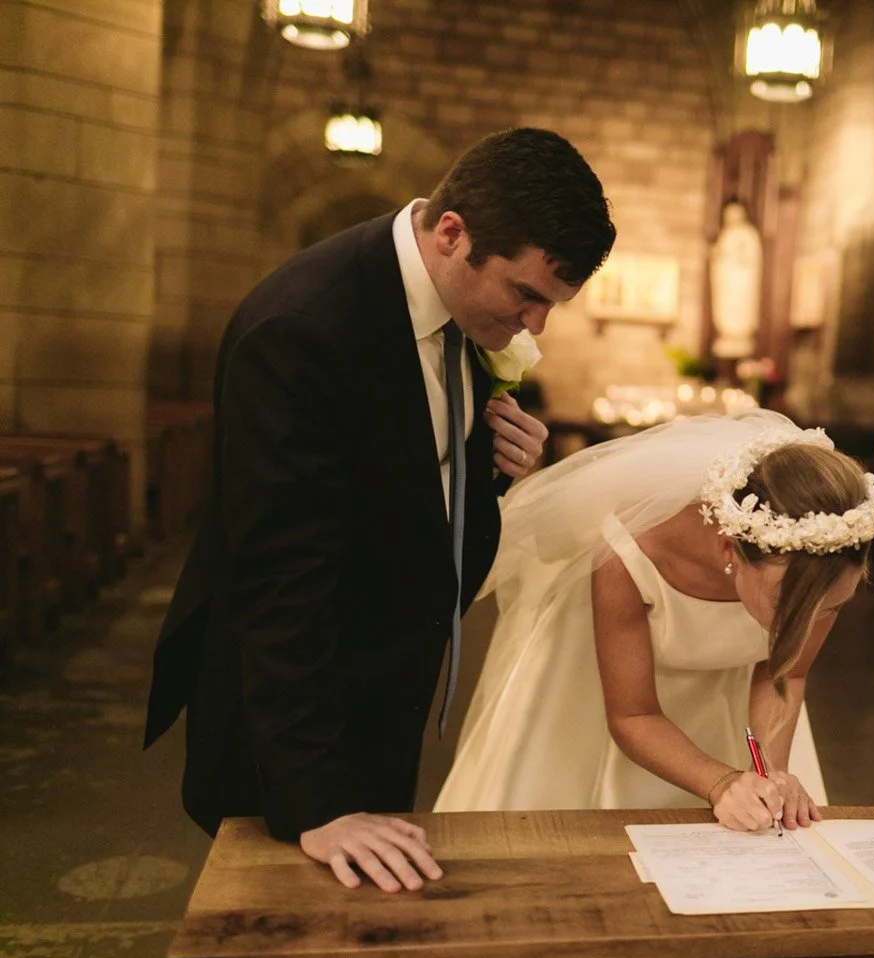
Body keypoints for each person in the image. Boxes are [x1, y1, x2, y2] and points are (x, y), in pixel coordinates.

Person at [144, 128, 616, 892]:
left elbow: (404, 484)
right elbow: (277, 579)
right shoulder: (302, 329)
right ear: (453, 235)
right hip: (287, 730)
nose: (535, 327)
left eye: (551, 305)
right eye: (526, 295)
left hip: (380, 692)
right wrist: (318, 805)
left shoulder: (460, 313)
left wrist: (495, 465)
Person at [435, 411, 874, 831]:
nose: (807, 621)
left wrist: (771, 772)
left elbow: (785, 676)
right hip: (604, 696)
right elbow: (633, 713)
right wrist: (720, 782)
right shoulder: (630, 552)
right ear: (729, 551)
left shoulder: (824, 560)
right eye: (784, 603)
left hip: (727, 705)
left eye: (831, 607)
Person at [709, 199, 764, 361]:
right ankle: (728, 333)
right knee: (726, 305)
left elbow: (751, 259)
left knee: (740, 304)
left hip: (741, 279)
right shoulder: (725, 234)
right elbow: (719, 258)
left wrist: (735, 258)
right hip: (726, 280)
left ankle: (740, 333)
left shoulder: (748, 234)